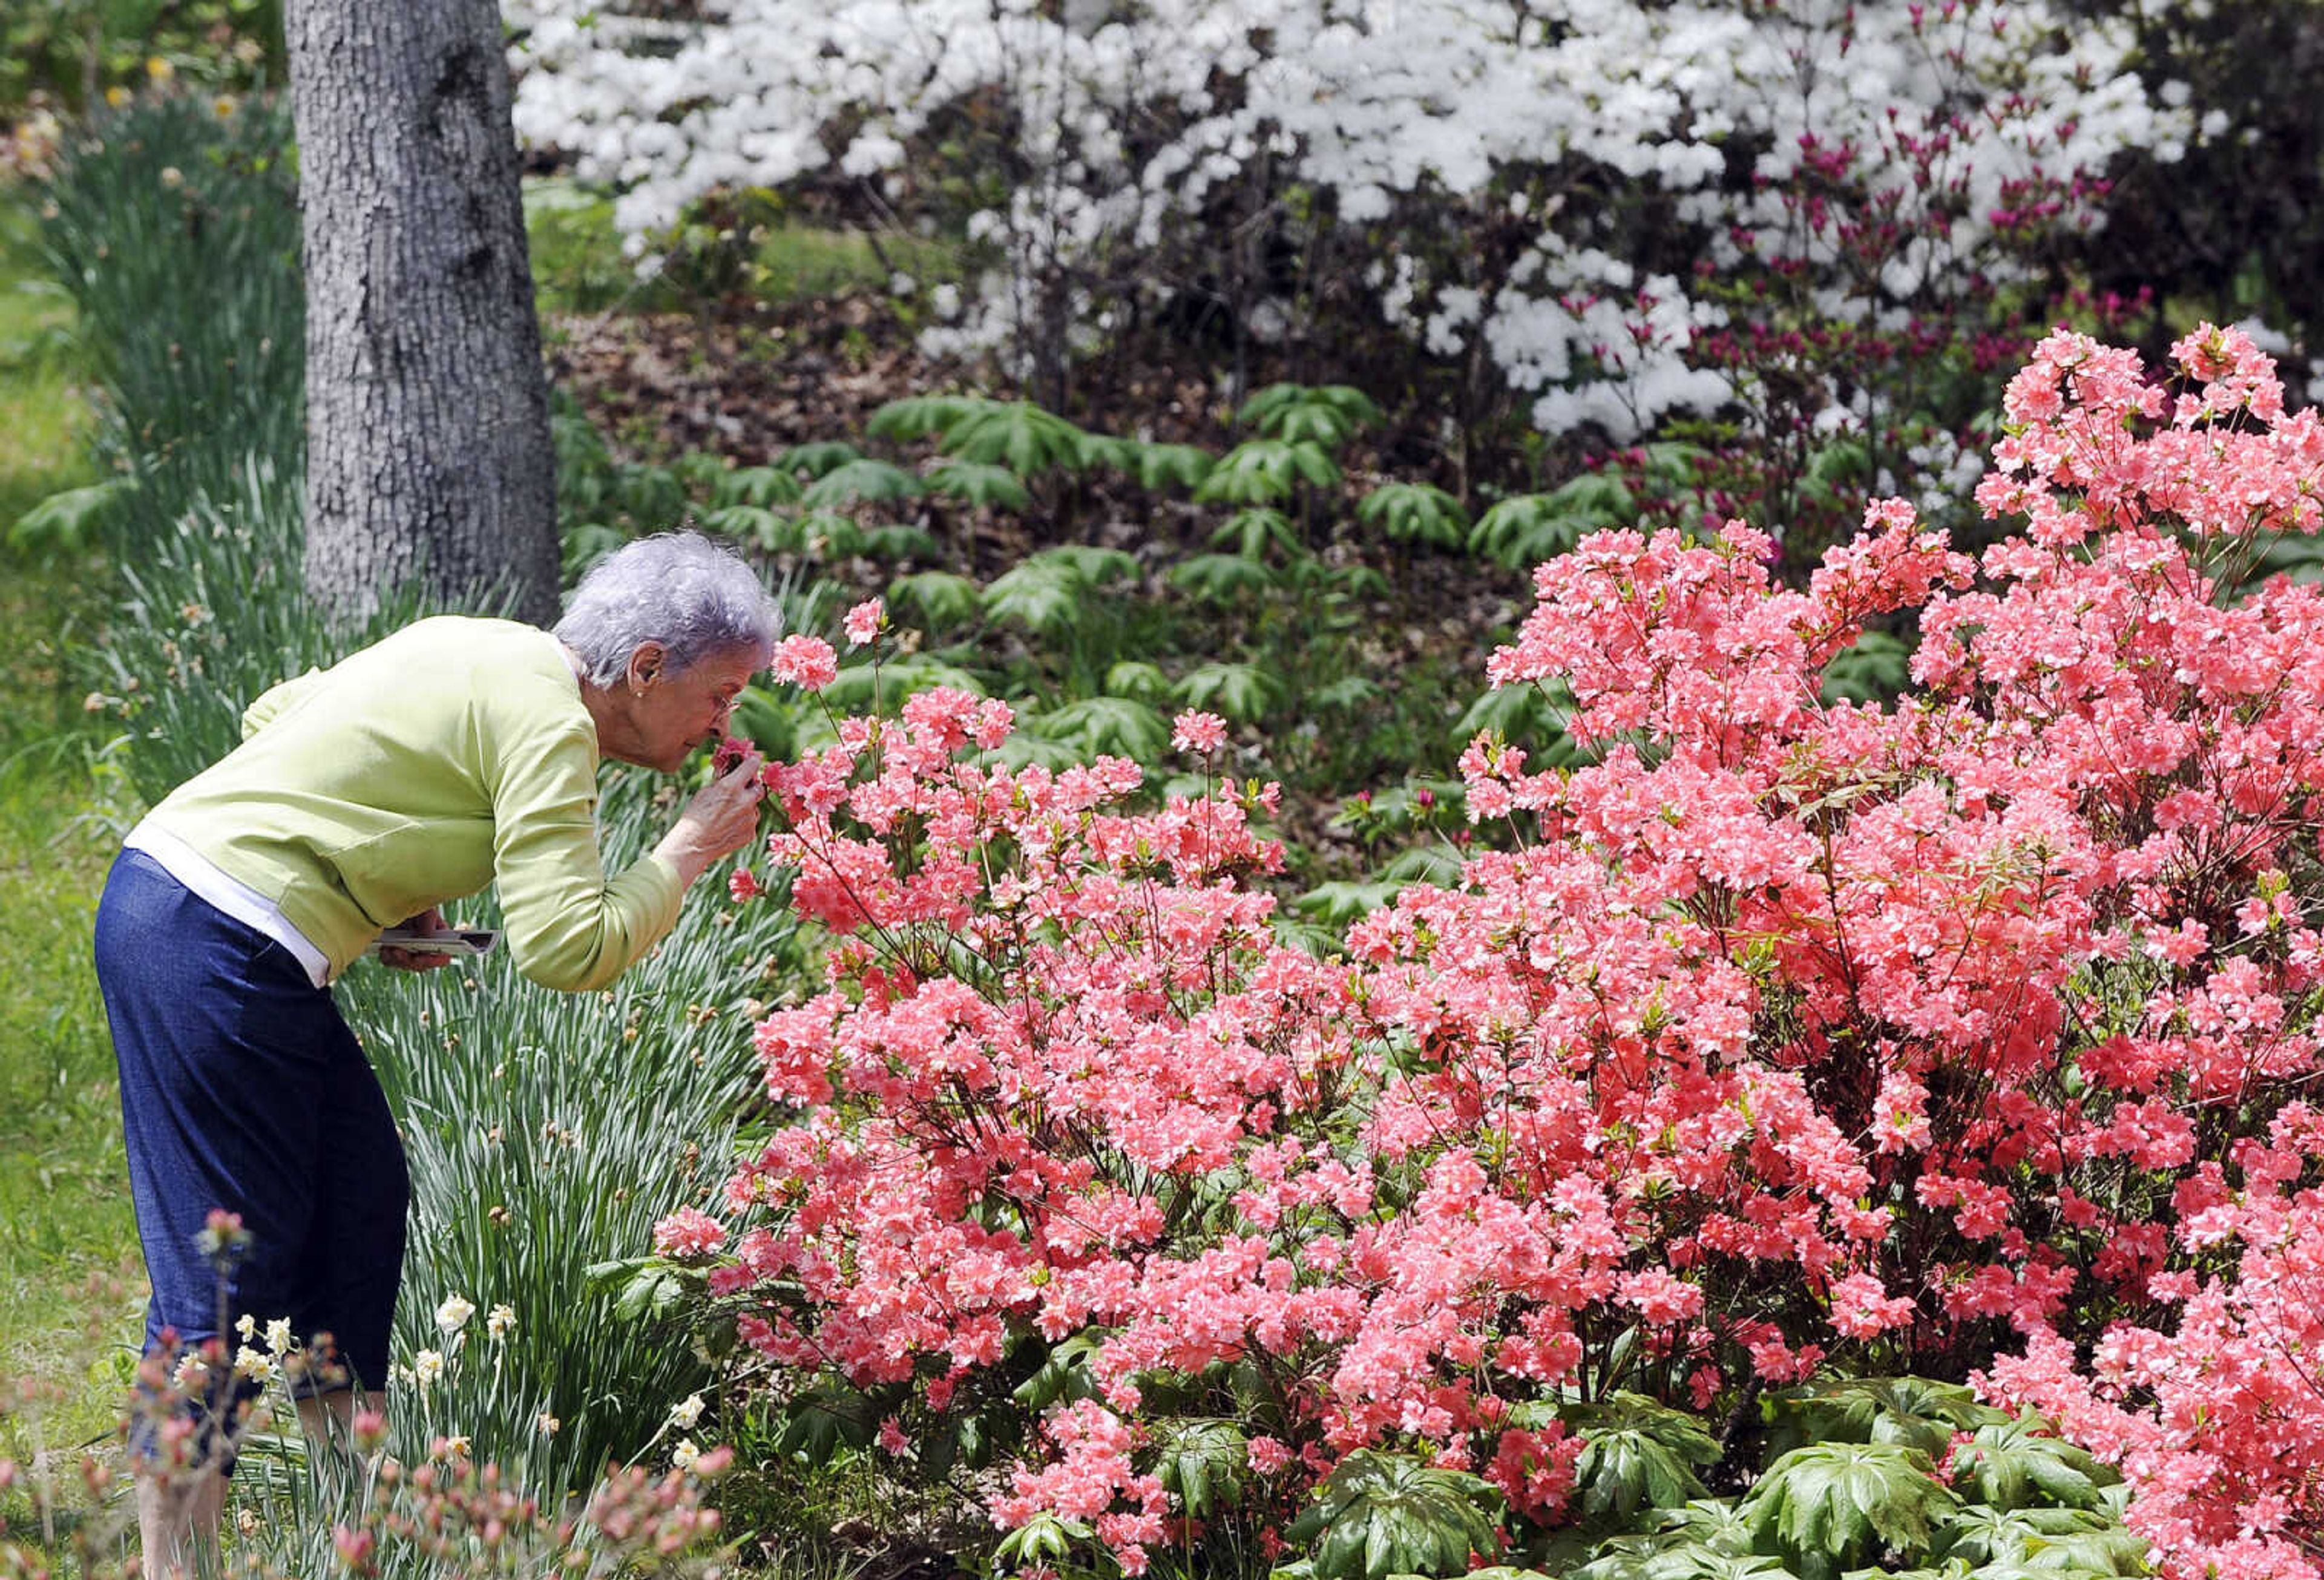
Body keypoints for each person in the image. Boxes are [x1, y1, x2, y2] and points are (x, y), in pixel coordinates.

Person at [91, 531, 776, 1575]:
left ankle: (349, 1542)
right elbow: (568, 950)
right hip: (210, 940)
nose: (725, 723)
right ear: (644, 669)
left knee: (356, 1209)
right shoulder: (553, 726)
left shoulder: (485, 646)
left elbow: (280, 712)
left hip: (213, 925)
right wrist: (684, 852)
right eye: (720, 694)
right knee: (224, 1286)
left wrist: (397, 887)